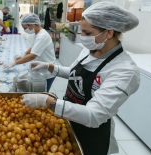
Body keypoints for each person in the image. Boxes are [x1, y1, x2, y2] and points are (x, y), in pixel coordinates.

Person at [21, 2, 140, 155]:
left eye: (87, 33)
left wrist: (47, 101)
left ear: (109, 33)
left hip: (91, 133)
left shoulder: (124, 71)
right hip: (68, 117)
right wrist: (49, 66)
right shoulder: (89, 49)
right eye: (81, 32)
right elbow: (74, 73)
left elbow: (94, 115)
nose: (82, 37)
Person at [4, 13, 56, 92]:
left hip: (47, 72)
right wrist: (24, 54)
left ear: (32, 25)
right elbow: (33, 47)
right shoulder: (36, 33)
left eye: (25, 28)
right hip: (40, 68)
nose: (25, 30)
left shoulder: (42, 36)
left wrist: (14, 63)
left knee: (42, 94)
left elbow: (32, 56)